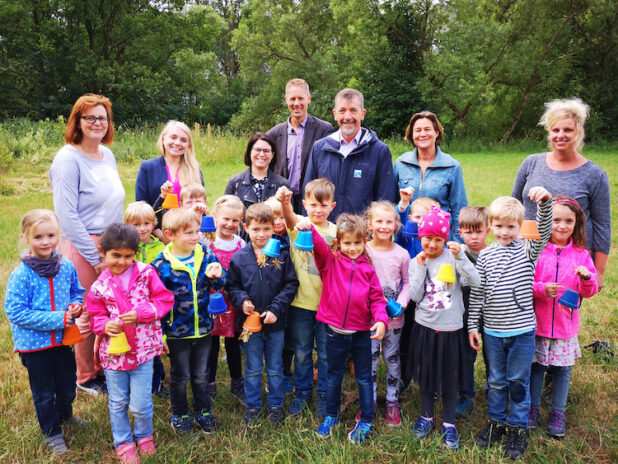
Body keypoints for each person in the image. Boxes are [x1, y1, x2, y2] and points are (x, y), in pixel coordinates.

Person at [468, 187, 553, 460]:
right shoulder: (485, 255)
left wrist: (546, 204)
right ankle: (496, 422)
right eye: (499, 226)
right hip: (492, 332)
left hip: (522, 333)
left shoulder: (528, 251)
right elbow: (478, 294)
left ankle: (518, 428)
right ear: (490, 226)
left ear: (520, 226)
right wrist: (473, 326)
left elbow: (546, 229)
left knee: (518, 381)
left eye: (511, 226)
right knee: (495, 381)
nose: (505, 232)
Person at [50, 93, 125, 396]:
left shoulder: (106, 155)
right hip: (84, 243)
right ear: (77, 122)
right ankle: (85, 376)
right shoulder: (68, 158)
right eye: (90, 117)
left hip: (112, 241)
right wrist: (95, 255)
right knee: (85, 311)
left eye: (102, 118)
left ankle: (107, 363)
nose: (97, 123)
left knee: (110, 307)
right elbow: (66, 215)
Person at [296, 214, 388, 445]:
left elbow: (377, 298)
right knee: (333, 376)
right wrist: (310, 228)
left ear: (364, 242)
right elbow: (318, 247)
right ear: (338, 243)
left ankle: (366, 419)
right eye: (347, 243)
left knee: (365, 379)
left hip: (360, 335)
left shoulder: (368, 269)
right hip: (334, 333)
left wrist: (381, 320)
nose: (353, 248)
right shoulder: (330, 262)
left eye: (357, 243)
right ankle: (331, 415)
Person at [86, 224, 173, 463]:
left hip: (144, 352)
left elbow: (165, 300)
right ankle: (123, 441)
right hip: (114, 355)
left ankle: (145, 436)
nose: (122, 261)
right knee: (118, 401)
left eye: (128, 256)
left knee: (141, 404)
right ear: (103, 252)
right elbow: (95, 316)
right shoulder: (99, 287)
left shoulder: (146, 273)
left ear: (135, 253)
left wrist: (143, 313)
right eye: (116, 255)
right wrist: (105, 326)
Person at [4, 210, 85, 454]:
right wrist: (58, 318)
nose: (46, 241)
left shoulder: (66, 266)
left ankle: (65, 415)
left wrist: (76, 304)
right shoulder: (22, 274)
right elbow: (16, 312)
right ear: (26, 237)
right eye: (38, 236)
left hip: (63, 342)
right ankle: (52, 432)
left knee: (68, 384)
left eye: (51, 235)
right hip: (34, 346)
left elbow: (76, 291)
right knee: (44, 392)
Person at [512, 97, 610, 289]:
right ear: (549, 132)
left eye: (568, 130)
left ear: (579, 132)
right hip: (527, 258)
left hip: (569, 265)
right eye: (555, 130)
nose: (561, 135)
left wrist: (598, 272)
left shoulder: (594, 174)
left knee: (562, 316)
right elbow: (514, 208)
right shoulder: (531, 163)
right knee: (523, 317)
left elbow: (602, 226)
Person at [407, 206, 480, 451]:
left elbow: (476, 281)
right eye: (428, 238)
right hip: (425, 327)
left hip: (451, 329)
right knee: (426, 376)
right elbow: (415, 296)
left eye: (439, 239)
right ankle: (426, 416)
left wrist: (461, 257)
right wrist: (418, 266)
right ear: (421, 237)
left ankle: (449, 423)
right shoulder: (416, 261)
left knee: (450, 379)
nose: (433, 244)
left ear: (445, 238)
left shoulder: (454, 256)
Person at [151, 208, 226, 435]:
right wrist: (161, 334)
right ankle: (180, 413)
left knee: (202, 374)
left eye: (196, 231)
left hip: (203, 328)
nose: (195, 237)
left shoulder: (206, 256)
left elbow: (219, 284)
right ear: (170, 234)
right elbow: (156, 303)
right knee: (180, 376)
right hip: (176, 332)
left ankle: (203, 411)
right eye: (188, 233)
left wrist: (217, 276)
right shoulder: (161, 266)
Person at [529, 196, 598, 438]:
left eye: (568, 221)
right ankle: (532, 409)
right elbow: (526, 283)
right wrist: (541, 289)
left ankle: (558, 412)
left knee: (561, 371)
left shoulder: (581, 254)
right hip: (537, 325)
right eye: (556, 219)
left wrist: (587, 278)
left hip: (564, 327)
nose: (561, 225)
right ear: (547, 222)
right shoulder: (537, 251)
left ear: (576, 223)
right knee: (536, 368)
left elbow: (589, 292)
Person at [226, 203, 299, 426]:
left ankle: (276, 405)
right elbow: (232, 286)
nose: (261, 234)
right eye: (256, 229)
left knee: (276, 366)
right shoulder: (239, 258)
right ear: (246, 227)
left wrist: (276, 309)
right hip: (250, 325)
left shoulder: (282, 255)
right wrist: (242, 301)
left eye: (266, 229)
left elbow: (290, 284)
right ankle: (253, 405)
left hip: (275, 324)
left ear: (274, 229)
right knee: (253, 366)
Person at [275, 179, 337, 417]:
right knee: (301, 351)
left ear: (332, 206)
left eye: (323, 205)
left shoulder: (335, 233)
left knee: (324, 353)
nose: (318, 210)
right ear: (305, 204)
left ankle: (323, 394)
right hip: (300, 304)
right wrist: (284, 202)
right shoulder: (299, 226)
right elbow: (289, 216)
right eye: (313, 205)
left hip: (326, 305)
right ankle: (302, 392)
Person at [303, 88, 396, 220]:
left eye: (353, 110)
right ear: (335, 114)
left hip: (361, 236)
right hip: (324, 234)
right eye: (342, 111)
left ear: (362, 114)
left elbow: (385, 200)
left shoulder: (379, 151)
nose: (347, 117)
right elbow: (307, 194)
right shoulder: (320, 148)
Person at [364, 201, 410, 427]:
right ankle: (369, 401)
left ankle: (392, 401)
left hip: (393, 319)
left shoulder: (401, 254)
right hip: (368, 319)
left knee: (392, 358)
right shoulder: (362, 249)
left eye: (389, 221)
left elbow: (408, 283)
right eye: (378, 221)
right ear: (370, 223)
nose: (383, 226)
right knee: (369, 360)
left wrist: (400, 304)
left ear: (396, 224)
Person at [393, 111, 468, 242]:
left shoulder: (451, 166)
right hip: (408, 240)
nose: (423, 134)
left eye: (427, 129)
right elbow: (392, 202)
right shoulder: (401, 163)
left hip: (439, 240)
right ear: (412, 134)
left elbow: (459, 210)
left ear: (436, 132)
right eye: (418, 130)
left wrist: (457, 243)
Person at [266, 78, 333, 212]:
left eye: (301, 98)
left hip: (313, 202)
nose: (296, 103)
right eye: (292, 99)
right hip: (282, 201)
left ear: (308, 98)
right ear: (286, 100)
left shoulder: (324, 130)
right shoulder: (273, 134)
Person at [204, 195, 247, 404]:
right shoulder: (206, 243)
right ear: (215, 217)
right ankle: (209, 382)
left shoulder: (240, 244)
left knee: (233, 343)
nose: (230, 224)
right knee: (211, 344)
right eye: (225, 219)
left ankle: (237, 382)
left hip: (232, 302)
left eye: (235, 220)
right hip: (211, 301)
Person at [394, 194, 439, 392]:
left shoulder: (438, 244)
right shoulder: (406, 239)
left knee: (427, 342)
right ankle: (403, 377)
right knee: (404, 341)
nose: (423, 222)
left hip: (427, 303)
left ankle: (429, 380)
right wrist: (403, 206)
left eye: (428, 218)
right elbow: (400, 224)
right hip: (407, 301)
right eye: (418, 217)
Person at [123, 202, 168, 397]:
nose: (142, 229)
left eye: (147, 223)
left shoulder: (160, 248)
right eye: (136, 225)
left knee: (154, 341)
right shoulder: (126, 249)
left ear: (154, 223)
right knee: (136, 341)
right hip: (133, 304)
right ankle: (135, 380)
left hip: (154, 302)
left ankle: (157, 383)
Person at [135, 121, 204, 240]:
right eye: (173, 137)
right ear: (163, 139)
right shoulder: (147, 167)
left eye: (183, 140)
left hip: (188, 235)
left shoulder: (195, 170)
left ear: (188, 145)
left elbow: (201, 205)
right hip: (156, 236)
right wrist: (161, 235)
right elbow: (142, 207)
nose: (177, 143)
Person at [455, 206, 491, 417]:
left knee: (492, 356)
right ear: (460, 232)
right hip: (466, 315)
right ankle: (466, 393)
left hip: (492, 314)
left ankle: (493, 388)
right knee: (466, 357)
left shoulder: (494, 253)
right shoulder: (458, 254)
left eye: (478, 231)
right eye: (468, 232)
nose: (474, 236)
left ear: (488, 230)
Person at [225, 132, 290, 211]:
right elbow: (225, 212)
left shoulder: (282, 185)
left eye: (266, 151)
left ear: (272, 155)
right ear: (250, 152)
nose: (262, 154)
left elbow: (289, 218)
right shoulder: (235, 183)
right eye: (257, 150)